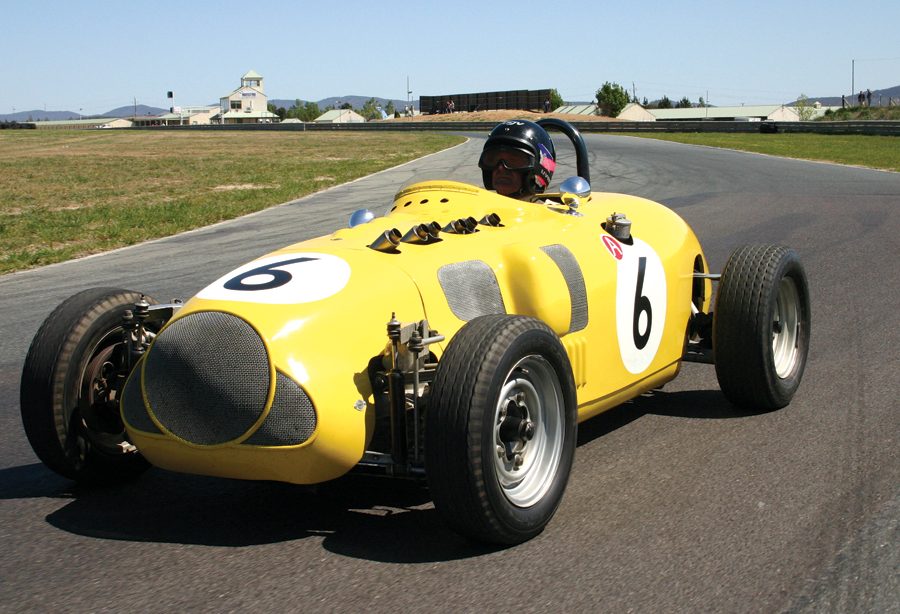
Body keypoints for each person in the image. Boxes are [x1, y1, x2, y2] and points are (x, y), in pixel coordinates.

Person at [478, 120, 556, 199]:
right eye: (492, 160)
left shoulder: (555, 210)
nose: (500, 168)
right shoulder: (477, 206)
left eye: (513, 161)